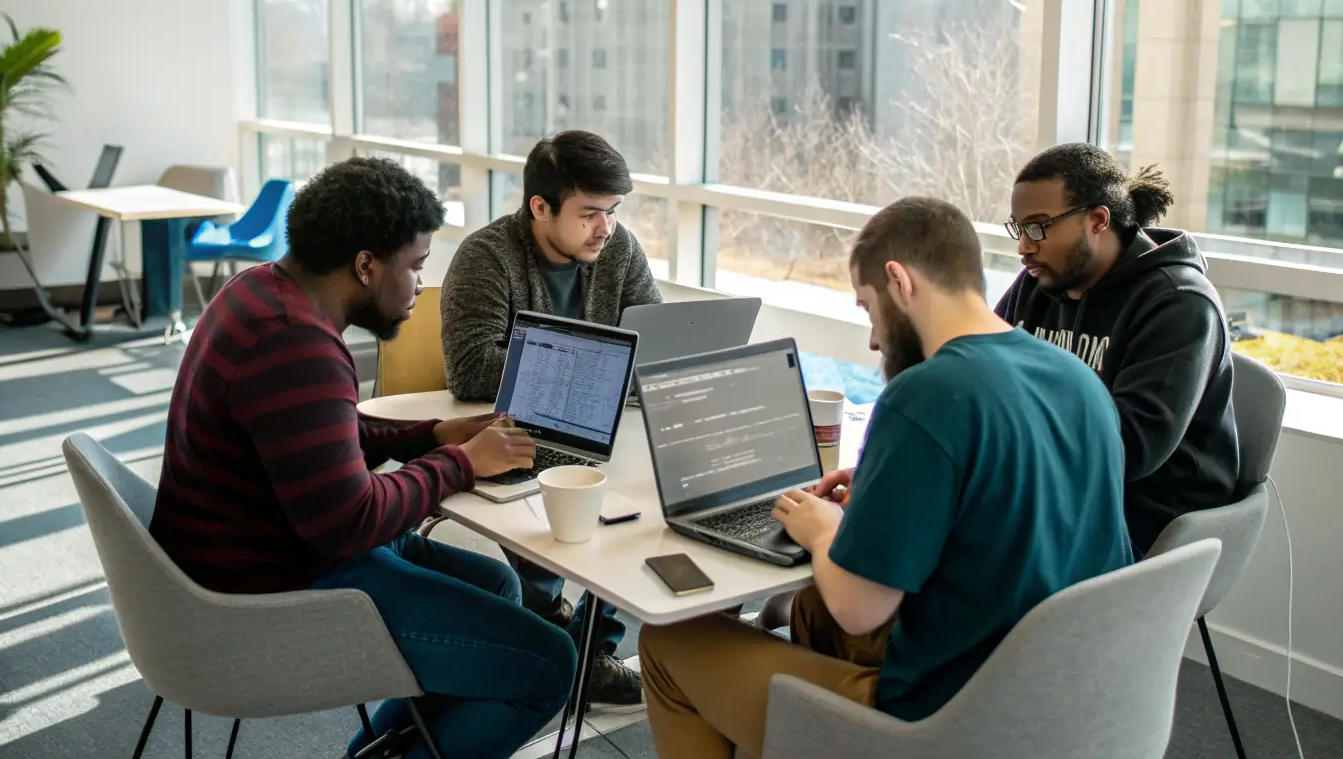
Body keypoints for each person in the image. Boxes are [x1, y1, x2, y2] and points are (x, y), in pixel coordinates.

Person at [638, 198, 1133, 758]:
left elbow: (860, 608)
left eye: (868, 309)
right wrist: (883, 488)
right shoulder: (1078, 378)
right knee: (809, 612)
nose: (873, 339)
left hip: (950, 726)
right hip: (1065, 703)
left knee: (668, 641)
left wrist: (824, 530)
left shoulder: (926, 393)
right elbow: (1003, 499)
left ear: (898, 282)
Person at [150, 157, 575, 759]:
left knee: (498, 582)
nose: (421, 285)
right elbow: (350, 521)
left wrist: (434, 435)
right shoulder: (295, 344)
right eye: (416, 266)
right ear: (366, 265)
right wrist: (461, 464)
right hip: (274, 590)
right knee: (550, 662)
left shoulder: (260, 291)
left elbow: (323, 435)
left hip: (265, 545)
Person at [441, 130, 660, 706]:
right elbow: (471, 369)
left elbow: (651, 342)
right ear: (540, 208)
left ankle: (591, 651)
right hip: (511, 433)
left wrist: (581, 368)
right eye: (589, 214)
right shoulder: (487, 256)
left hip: (597, 429)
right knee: (593, 506)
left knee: (644, 501)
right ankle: (552, 631)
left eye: (612, 212)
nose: (605, 229)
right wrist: (598, 366)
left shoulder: (620, 250)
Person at [994, 143, 1240, 553]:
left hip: (1144, 521)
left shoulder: (1178, 303)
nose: (1024, 247)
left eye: (1038, 227)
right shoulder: (1041, 282)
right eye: (1019, 229)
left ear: (1097, 220)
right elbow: (978, 372)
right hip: (1061, 496)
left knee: (954, 556)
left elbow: (1129, 449)